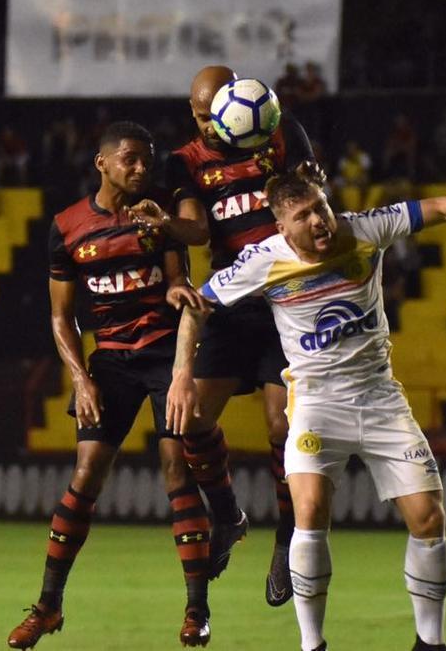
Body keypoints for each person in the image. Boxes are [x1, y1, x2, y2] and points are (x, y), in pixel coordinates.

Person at [165, 169, 446, 651]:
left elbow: (442, 205)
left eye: (320, 207)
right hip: (315, 405)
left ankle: (430, 644)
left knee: (429, 518)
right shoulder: (262, 261)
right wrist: (183, 373)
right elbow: (195, 306)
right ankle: (313, 645)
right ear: (282, 228)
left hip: (380, 399)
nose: (319, 220)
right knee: (307, 512)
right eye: (303, 215)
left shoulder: (365, 229)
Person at [8, 122, 214, 649]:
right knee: (87, 473)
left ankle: (197, 609)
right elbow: (61, 318)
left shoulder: (157, 213)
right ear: (102, 162)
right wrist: (80, 380)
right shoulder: (68, 226)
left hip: (166, 355)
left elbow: (175, 278)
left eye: (146, 160)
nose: (141, 168)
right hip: (114, 363)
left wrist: (175, 291)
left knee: (176, 467)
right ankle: (49, 606)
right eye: (130, 159)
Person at [129, 64, 319, 607]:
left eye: (206, 114)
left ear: (235, 104)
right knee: (189, 420)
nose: (199, 123)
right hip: (232, 304)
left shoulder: (280, 133)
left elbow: (308, 191)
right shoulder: (186, 160)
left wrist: (307, 180)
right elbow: (197, 228)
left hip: (288, 303)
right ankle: (227, 512)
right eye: (192, 113)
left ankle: (286, 540)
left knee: (283, 429)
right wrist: (164, 224)